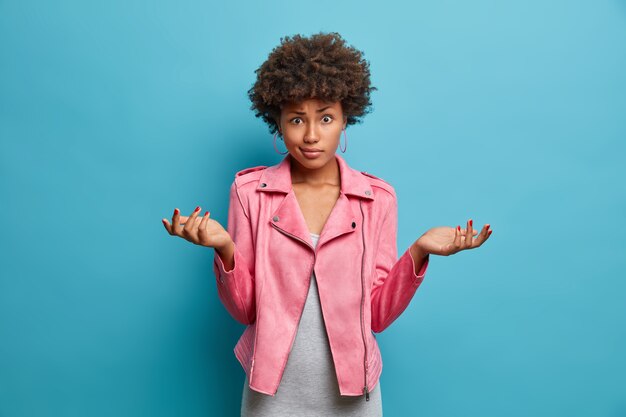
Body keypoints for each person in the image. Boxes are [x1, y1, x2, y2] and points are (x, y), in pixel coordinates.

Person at [162, 32, 492, 417]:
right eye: (297, 119)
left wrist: (418, 253)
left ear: (345, 118)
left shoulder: (376, 198)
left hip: (354, 394)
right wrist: (225, 250)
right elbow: (245, 311)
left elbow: (378, 316)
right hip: (271, 393)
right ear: (278, 122)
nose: (312, 135)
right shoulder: (249, 192)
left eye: (326, 117)